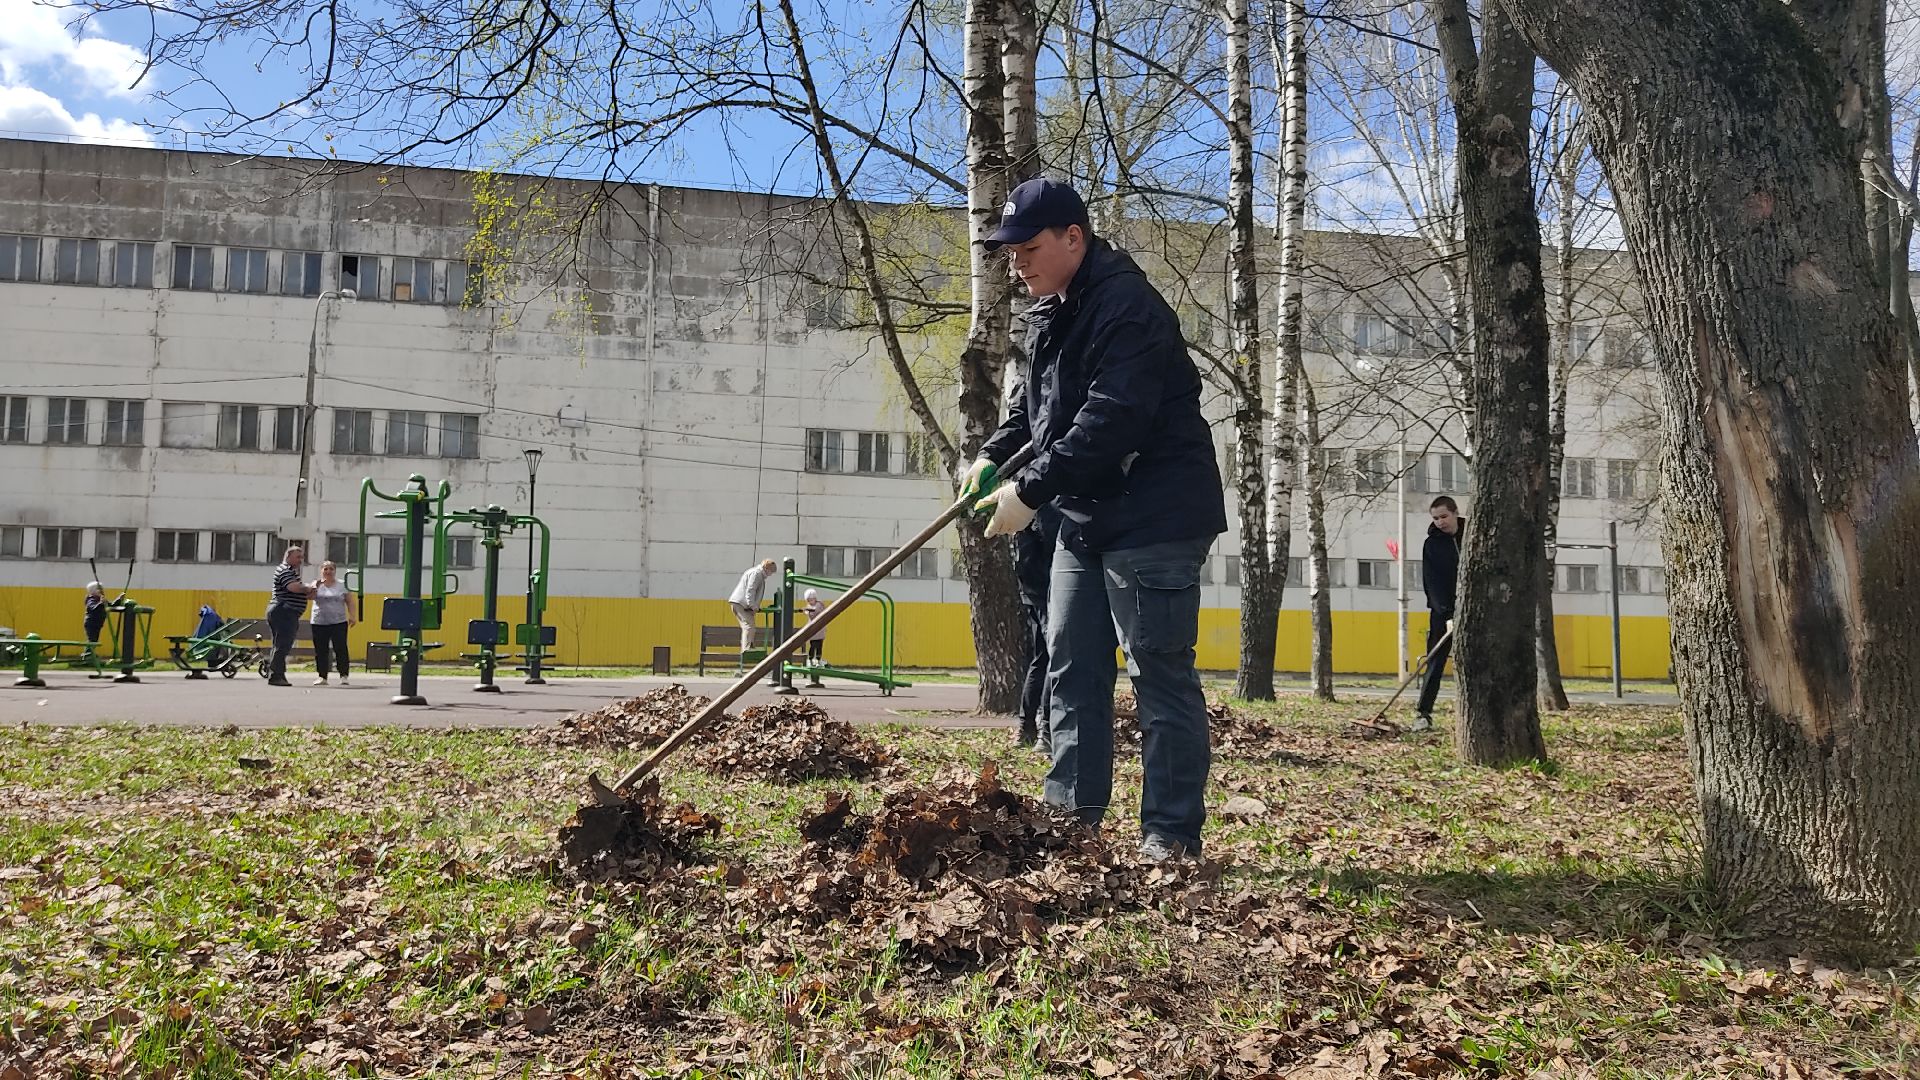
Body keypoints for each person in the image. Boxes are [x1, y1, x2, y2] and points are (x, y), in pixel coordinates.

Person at [963, 177, 1227, 863]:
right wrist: (992, 456)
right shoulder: (1051, 314)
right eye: (1010, 252)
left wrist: (1030, 491)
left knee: (1157, 673)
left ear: (1074, 238)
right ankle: (1070, 824)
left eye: (1028, 249)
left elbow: (1111, 420)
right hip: (1084, 513)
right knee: (1072, 666)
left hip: (1155, 510)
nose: (1017, 263)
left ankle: (1170, 836)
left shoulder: (1127, 307)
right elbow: (1035, 414)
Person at [1413, 496, 1464, 731]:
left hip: (1472, 608)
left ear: (1455, 513)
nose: (1440, 522)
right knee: (1435, 661)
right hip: (1442, 613)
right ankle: (1423, 713)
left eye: (1444, 516)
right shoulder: (1432, 544)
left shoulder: (1472, 536)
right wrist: (1447, 614)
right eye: (1435, 518)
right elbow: (1431, 583)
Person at [1014, 504, 1063, 751]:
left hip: (1032, 587)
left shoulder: (1026, 501)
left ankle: (1027, 728)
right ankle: (1044, 730)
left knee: (1041, 659)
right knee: (1053, 657)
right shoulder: (1051, 502)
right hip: (1045, 587)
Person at [265, 546, 313, 687]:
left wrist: (307, 591)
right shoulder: (285, 570)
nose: (300, 560)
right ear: (288, 556)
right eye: (298, 557)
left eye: (302, 557)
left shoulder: (290, 571)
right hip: (284, 611)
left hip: (284, 611)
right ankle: (276, 675)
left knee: (280, 644)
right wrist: (308, 588)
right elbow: (293, 587)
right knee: (283, 644)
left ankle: (277, 674)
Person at [308, 560, 357, 686]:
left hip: (338, 622)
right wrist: (316, 586)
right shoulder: (315, 584)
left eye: (331, 569)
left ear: (335, 571)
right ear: (321, 571)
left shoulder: (342, 584)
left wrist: (352, 616)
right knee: (321, 650)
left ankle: (344, 675)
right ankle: (322, 676)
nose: (328, 571)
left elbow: (350, 601)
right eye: (325, 569)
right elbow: (309, 597)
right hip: (319, 622)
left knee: (340, 648)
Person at [727, 559, 778, 653]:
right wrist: (752, 605)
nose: (770, 574)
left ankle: (749, 646)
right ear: (766, 568)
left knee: (750, 625)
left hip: (741, 603)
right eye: (771, 571)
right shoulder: (756, 574)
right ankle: (747, 649)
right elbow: (751, 590)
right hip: (740, 603)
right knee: (749, 625)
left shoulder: (757, 574)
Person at [801, 588, 828, 688]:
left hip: (819, 630)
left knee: (818, 645)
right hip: (813, 631)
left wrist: (808, 611)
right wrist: (806, 610)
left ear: (815, 598)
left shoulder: (819, 605)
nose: (810, 602)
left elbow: (816, 612)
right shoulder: (810, 606)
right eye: (808, 600)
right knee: (812, 645)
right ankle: (811, 658)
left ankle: (818, 659)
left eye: (811, 600)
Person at [82, 582, 108, 662]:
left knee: (94, 640)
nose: (101, 591)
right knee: (92, 640)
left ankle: (90, 654)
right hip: (91, 623)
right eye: (98, 589)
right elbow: (93, 608)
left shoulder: (100, 599)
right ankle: (87, 655)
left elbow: (110, 604)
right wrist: (101, 603)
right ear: (92, 591)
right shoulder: (91, 599)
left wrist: (119, 599)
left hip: (97, 623)